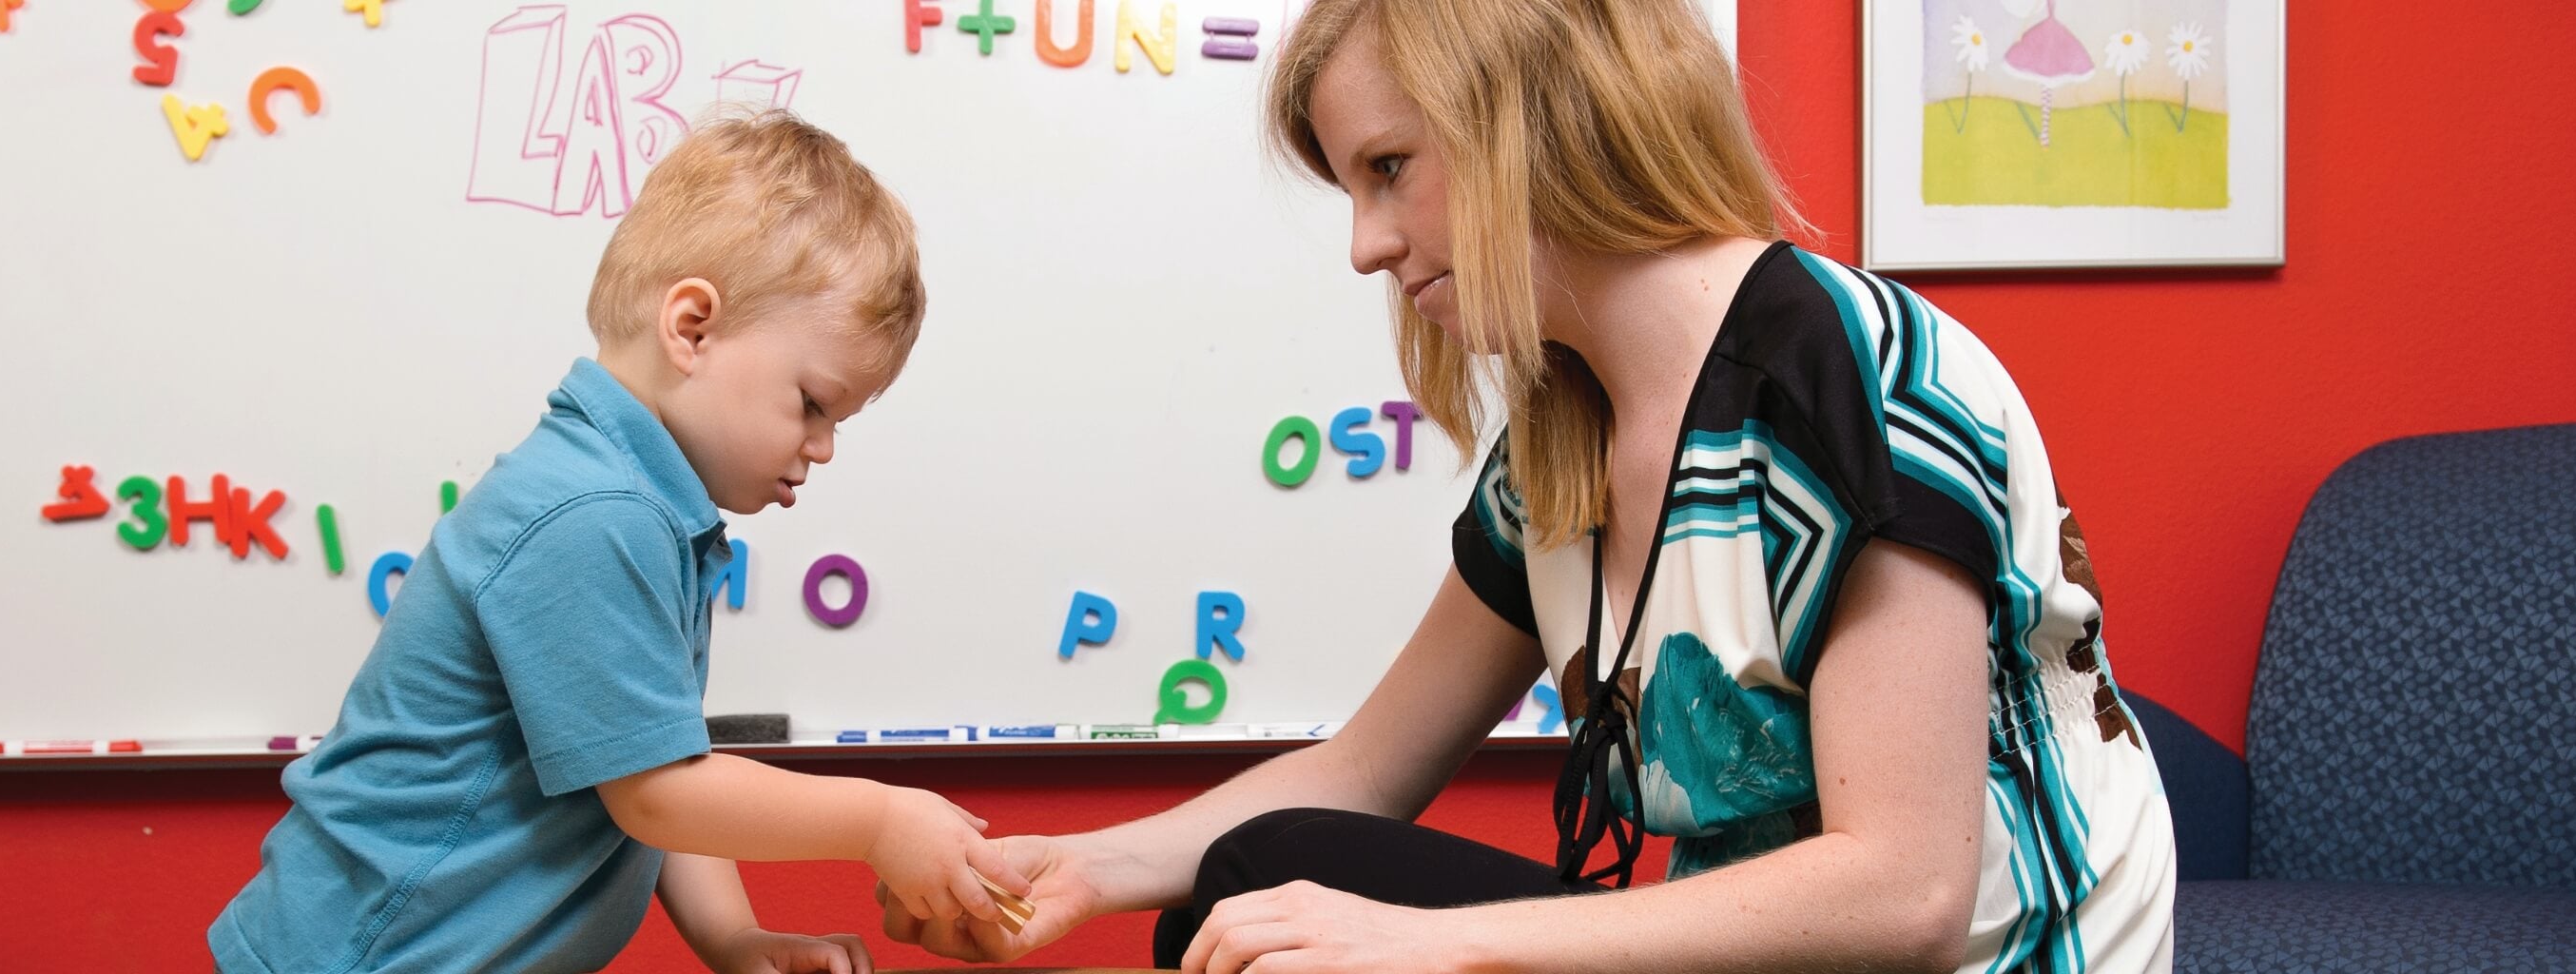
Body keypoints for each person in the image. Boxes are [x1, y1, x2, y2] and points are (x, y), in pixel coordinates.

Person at [883, 2, 2175, 971]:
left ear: (1534, 115)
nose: (1366, 246)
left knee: (1296, 905)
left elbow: (1908, 891)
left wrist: (1440, 944)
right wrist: (1081, 870)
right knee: (1260, 885)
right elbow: (1362, 774)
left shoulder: (1853, 378)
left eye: (1389, 170)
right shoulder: (1560, 448)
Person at [211, 110, 1023, 974]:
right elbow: (659, 797)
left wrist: (733, 939)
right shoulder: (594, 510)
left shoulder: (636, 501)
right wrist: (877, 821)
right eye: (815, 404)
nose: (823, 447)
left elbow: (654, 766)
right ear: (693, 328)